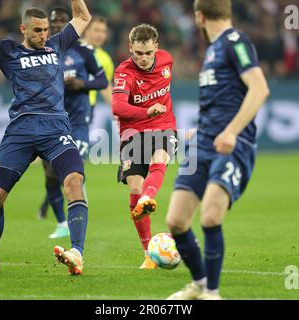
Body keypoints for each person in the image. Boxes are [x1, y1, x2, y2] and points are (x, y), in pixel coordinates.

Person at [166, 0, 270, 299]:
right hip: (203, 144)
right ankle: (198, 283)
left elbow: (260, 88)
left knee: (210, 217)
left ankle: (212, 293)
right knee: (176, 221)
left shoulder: (235, 40)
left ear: (199, 16)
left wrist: (231, 131)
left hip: (231, 145)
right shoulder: (212, 50)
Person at [0, 0, 92, 276]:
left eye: (46, 29)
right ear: (23, 28)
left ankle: (77, 252)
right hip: (21, 129)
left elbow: (83, 16)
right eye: (37, 30)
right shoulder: (7, 50)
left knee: (73, 181)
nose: (44, 34)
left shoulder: (57, 44)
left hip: (56, 128)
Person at [36, 7, 108, 240]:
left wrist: (81, 83)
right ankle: (61, 223)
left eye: (62, 22)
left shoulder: (83, 51)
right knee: (49, 174)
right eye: (54, 22)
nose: (58, 26)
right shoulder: (42, 51)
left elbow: (102, 80)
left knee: (74, 173)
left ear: (72, 22)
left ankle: (77, 220)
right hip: (51, 121)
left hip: (77, 122)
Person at [112, 24, 178, 269]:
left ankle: (148, 198)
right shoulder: (124, 73)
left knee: (159, 157)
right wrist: (146, 110)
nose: (143, 58)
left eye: (148, 53)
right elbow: (117, 107)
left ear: (156, 48)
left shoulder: (167, 61)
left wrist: (156, 112)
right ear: (130, 48)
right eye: (138, 53)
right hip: (133, 133)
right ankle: (149, 253)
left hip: (164, 127)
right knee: (135, 185)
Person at [84, 16, 114, 111]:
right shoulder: (71, 49)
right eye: (96, 30)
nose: (100, 35)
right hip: (64, 104)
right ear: (86, 30)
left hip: (87, 107)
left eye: (103, 31)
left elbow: (106, 87)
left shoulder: (106, 59)